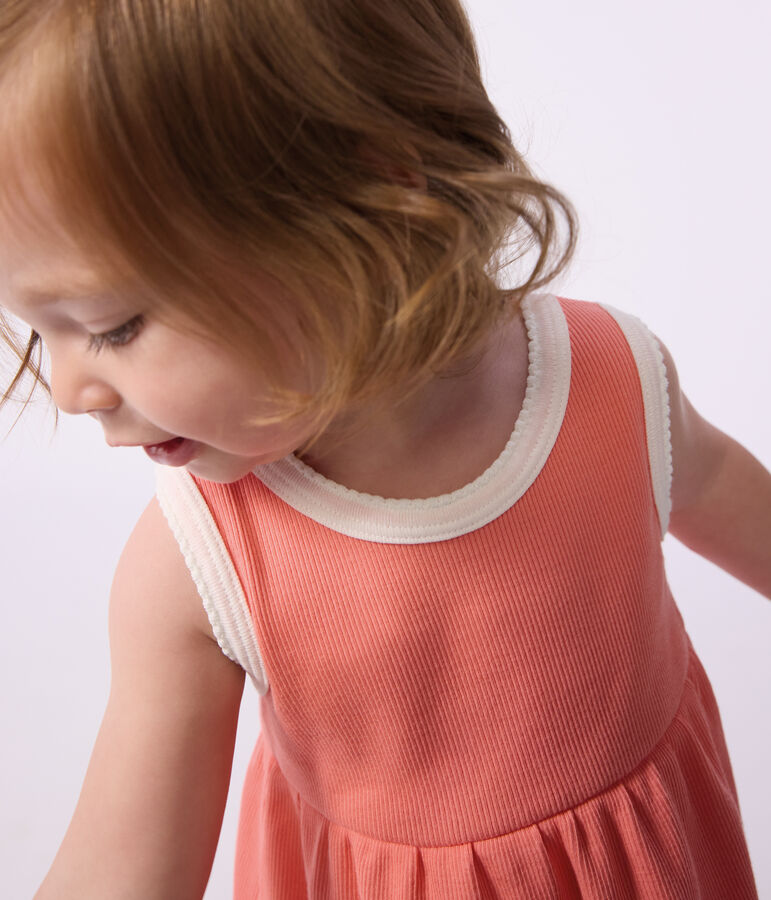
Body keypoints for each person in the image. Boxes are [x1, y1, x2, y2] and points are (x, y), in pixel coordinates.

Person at [0, 1, 767, 897]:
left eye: (113, 326)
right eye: (32, 331)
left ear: (370, 208)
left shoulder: (613, 381)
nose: (68, 392)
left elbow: (718, 484)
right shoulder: (199, 562)